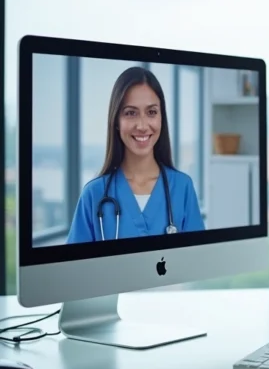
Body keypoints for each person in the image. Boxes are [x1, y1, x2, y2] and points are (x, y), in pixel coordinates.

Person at [67, 66, 205, 244]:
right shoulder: (94, 195)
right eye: (131, 113)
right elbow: (75, 269)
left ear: (161, 118)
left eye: (152, 112)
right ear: (116, 121)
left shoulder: (182, 187)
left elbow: (196, 262)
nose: (142, 125)